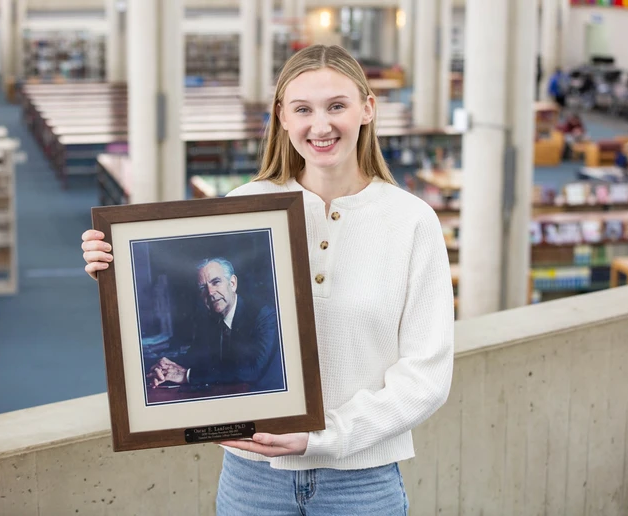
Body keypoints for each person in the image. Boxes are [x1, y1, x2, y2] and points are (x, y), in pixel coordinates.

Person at [82, 44, 454, 515]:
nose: (320, 126)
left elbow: (426, 376)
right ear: (282, 116)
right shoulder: (244, 207)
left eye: (336, 106)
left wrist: (325, 436)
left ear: (367, 109)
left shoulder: (411, 221)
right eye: (303, 109)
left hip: (361, 481)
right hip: (253, 479)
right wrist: (116, 267)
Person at [146, 257, 284, 393]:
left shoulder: (263, 315)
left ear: (232, 283)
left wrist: (187, 375)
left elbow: (251, 370)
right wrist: (165, 367)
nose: (210, 292)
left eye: (216, 282)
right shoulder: (209, 318)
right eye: (203, 288)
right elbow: (194, 357)